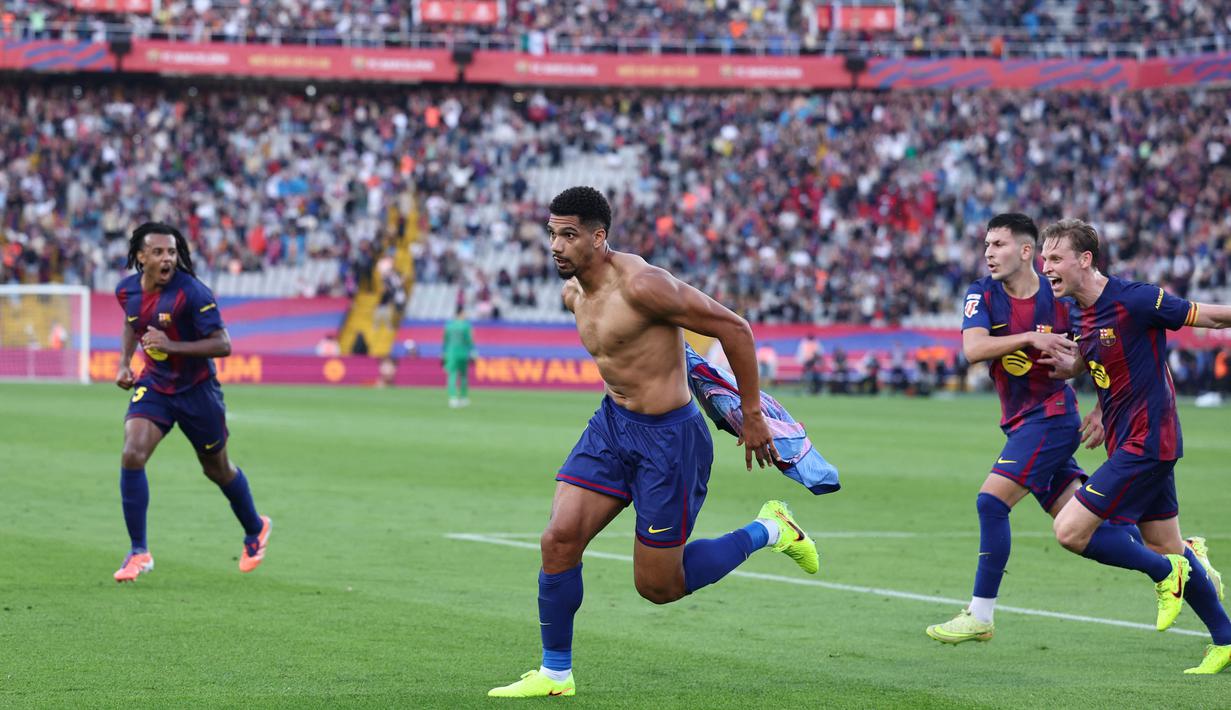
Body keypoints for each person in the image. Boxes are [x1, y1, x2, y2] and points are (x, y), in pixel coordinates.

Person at [488, 187, 819, 698]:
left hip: (670, 441)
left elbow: (736, 328)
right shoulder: (572, 290)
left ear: (600, 238)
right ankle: (555, 674)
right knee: (558, 541)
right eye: (552, 233)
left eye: (569, 235)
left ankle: (770, 529)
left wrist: (751, 414)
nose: (556, 245)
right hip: (612, 426)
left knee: (658, 586)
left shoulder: (644, 286)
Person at [1040, 218, 1230, 674]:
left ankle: (1167, 576)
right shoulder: (1078, 312)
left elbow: (1210, 315)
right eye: (1044, 258)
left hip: (1148, 442)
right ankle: (1225, 638)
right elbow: (1109, 360)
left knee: (1070, 531)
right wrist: (1092, 396)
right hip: (1128, 440)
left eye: (1055, 258)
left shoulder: (1137, 299)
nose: (1047, 267)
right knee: (1166, 543)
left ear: (1085, 260)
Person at [926, 213, 1097, 644]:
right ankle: (1177, 558)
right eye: (986, 245)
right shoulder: (982, 293)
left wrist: (1105, 406)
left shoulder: (1063, 299)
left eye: (998, 244)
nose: (988, 253)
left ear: (1026, 252)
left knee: (991, 502)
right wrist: (1029, 339)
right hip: (1021, 423)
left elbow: (1105, 352)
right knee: (1084, 526)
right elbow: (973, 349)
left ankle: (981, 614)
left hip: (1053, 419)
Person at [112, 222, 271, 583]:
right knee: (132, 453)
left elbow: (223, 345)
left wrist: (171, 346)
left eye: (171, 251)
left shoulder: (193, 293)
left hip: (198, 392)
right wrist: (124, 362)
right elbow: (131, 322)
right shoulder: (126, 291)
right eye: (158, 252)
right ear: (141, 257)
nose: (167, 258)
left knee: (217, 469)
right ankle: (139, 552)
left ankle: (255, 527)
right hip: (156, 384)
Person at [442, 304, 475, 408]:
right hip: (463, 353)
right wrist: (473, 353)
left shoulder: (448, 326)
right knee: (464, 376)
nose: (465, 315)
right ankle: (464, 398)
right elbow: (469, 341)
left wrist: (443, 353)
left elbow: (445, 341)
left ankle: (453, 398)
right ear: (460, 313)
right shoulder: (466, 326)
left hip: (451, 353)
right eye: (464, 313)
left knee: (452, 375)